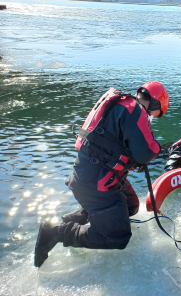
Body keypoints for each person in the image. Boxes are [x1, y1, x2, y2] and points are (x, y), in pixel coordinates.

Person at [34, 81, 169, 267]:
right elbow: (146, 152)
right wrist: (156, 150)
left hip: (86, 175)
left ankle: (76, 217)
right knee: (118, 238)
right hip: (97, 182)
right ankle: (55, 232)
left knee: (130, 205)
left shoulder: (122, 105)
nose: (153, 118)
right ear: (154, 104)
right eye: (156, 113)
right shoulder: (136, 111)